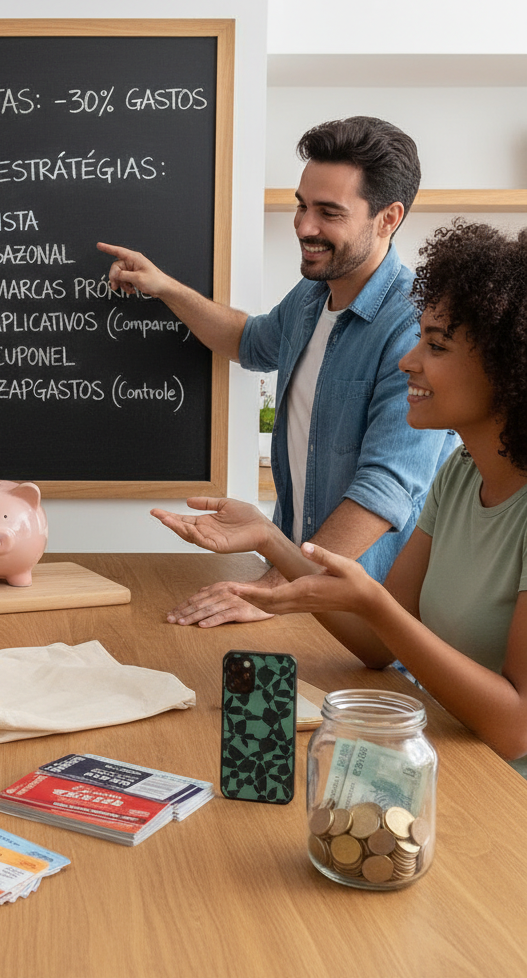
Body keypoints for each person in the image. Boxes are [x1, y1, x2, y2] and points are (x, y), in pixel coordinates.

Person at [153, 220, 527, 775]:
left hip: (502, 793)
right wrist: (270, 540)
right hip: (443, 757)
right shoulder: (459, 474)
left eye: (436, 345)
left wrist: (372, 602)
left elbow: (515, 728)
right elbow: (378, 647)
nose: (408, 361)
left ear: (508, 365)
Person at [99, 116, 455, 627]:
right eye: (301, 205)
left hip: (368, 620)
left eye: (329, 212)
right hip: (298, 594)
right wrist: (166, 288)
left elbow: (385, 490)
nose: (305, 227)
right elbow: (249, 341)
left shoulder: (415, 328)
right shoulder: (312, 295)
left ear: (388, 218)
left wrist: (276, 589)